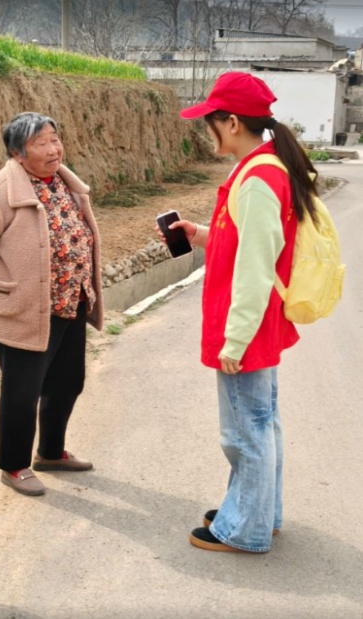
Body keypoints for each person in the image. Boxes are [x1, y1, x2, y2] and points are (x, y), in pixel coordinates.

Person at [159, 72, 319, 553]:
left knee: (245, 431)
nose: (205, 130)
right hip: (257, 322)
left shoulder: (256, 180)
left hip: (246, 325)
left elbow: (255, 268)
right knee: (261, 422)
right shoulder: (264, 169)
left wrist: (235, 341)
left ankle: (244, 529)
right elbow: (247, 242)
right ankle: (259, 512)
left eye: (209, 122)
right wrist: (201, 235)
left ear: (230, 122)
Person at [0, 112, 104, 497]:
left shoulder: (63, 182)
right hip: (25, 308)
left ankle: (51, 453)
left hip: (71, 300)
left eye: (54, 139)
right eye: (40, 143)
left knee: (67, 382)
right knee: (22, 391)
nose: (53, 149)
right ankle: (13, 466)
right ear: (17, 152)